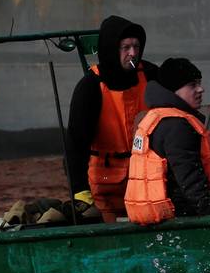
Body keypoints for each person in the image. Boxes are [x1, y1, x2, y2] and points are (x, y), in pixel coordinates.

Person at [65, 15, 157, 222]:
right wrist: (79, 190)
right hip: (106, 187)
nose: (133, 53)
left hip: (147, 182)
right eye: (126, 47)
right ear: (110, 49)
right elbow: (75, 144)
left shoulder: (150, 75)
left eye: (136, 46)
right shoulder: (90, 87)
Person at [125, 58, 210, 222]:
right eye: (192, 85)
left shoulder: (158, 117)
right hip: (179, 218)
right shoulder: (177, 125)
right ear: (173, 91)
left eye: (199, 83)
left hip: (157, 219)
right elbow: (189, 177)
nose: (201, 89)